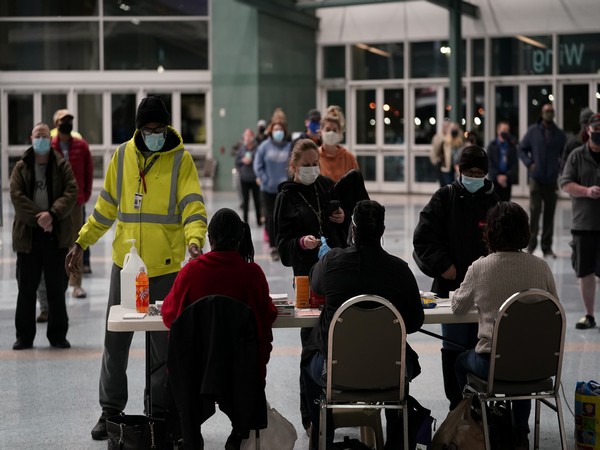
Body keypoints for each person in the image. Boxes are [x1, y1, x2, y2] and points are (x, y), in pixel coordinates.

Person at [65, 96, 208, 440]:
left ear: (166, 127)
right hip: (126, 267)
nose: (153, 134)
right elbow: (105, 207)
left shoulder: (180, 160)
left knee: (163, 346)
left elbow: (193, 205)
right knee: (115, 341)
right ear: (138, 128)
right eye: (148, 129)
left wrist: (195, 240)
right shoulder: (123, 156)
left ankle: (159, 411)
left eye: (159, 129)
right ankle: (110, 411)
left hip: (167, 267)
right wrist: (81, 241)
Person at [303, 200, 425, 449]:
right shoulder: (400, 270)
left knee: (308, 360)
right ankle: (396, 440)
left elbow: (315, 286)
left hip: (334, 371)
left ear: (352, 230)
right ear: (382, 231)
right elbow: (414, 322)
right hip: (390, 371)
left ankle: (321, 436)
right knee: (402, 367)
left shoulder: (332, 263)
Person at [161, 208, 277, 449]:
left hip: (195, 372)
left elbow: (169, 315)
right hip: (241, 371)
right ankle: (238, 435)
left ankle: (191, 436)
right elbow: (268, 316)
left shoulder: (190, 272)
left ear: (209, 240)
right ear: (239, 238)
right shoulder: (252, 274)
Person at [452, 201, 558, 449]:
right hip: (538, 364)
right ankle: (520, 431)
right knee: (521, 362)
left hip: (493, 365)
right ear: (525, 232)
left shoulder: (480, 267)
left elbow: (458, 307)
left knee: (459, 362)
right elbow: (554, 310)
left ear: (490, 233)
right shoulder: (541, 267)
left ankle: (480, 420)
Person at [413, 145, 499, 411]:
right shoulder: (444, 197)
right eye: (469, 171)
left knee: (484, 347)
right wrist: (443, 265)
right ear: (460, 171)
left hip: (489, 290)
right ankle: (457, 406)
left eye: (479, 172)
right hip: (451, 288)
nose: (474, 176)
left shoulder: (495, 201)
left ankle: (483, 405)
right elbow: (423, 239)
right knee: (453, 347)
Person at [273, 138, 347, 433]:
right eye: (305, 165)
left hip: (337, 273)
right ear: (293, 167)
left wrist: (342, 218)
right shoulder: (285, 198)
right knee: (312, 347)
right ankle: (310, 414)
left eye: (315, 164)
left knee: (340, 343)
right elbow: (282, 247)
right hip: (306, 277)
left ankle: (340, 408)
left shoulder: (326, 186)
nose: (311, 169)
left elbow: (342, 226)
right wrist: (301, 243)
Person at [10, 122, 78, 350]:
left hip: (54, 235)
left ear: (51, 139)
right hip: (28, 236)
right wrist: (40, 219)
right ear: (31, 138)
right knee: (26, 289)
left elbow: (71, 191)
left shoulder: (61, 164)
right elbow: (16, 196)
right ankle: (24, 337)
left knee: (56, 288)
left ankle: (58, 335)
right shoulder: (22, 166)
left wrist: (52, 215)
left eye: (45, 136)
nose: (41, 139)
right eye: (38, 135)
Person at [560, 113, 600, 330]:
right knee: (585, 272)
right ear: (588, 131)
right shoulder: (576, 156)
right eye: (596, 132)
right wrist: (587, 191)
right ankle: (589, 314)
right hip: (583, 224)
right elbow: (565, 183)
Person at [518, 103, 567, 258]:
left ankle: (547, 247)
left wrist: (560, 167)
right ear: (542, 112)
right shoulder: (533, 131)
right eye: (547, 111)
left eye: (552, 111)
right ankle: (531, 246)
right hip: (536, 179)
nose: (549, 113)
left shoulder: (559, 134)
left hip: (551, 179)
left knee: (549, 214)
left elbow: (565, 154)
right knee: (535, 211)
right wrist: (529, 163)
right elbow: (521, 148)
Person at [253, 112, 292, 261]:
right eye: (276, 130)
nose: (278, 132)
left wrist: (289, 181)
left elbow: (293, 165)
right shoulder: (264, 146)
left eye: (280, 130)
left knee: (284, 217)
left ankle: (284, 245)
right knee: (270, 218)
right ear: (271, 131)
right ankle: (273, 246)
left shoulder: (289, 147)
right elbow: (258, 165)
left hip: (284, 189)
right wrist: (265, 180)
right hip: (268, 189)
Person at [318, 105, 359, 182]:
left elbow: (356, 186)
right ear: (321, 131)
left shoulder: (349, 158)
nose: (331, 133)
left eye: (334, 130)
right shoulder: (315, 157)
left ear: (340, 132)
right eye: (328, 129)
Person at [486, 120, 518, 201]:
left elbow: (514, 163)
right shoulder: (492, 146)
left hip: (507, 180)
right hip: (495, 179)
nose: (505, 132)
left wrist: (506, 176)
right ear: (498, 131)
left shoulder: (511, 146)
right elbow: (490, 163)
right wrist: (498, 176)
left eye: (507, 130)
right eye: (503, 130)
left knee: (506, 205)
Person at [235, 128, 262, 226]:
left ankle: (259, 220)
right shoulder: (242, 149)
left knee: (257, 201)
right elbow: (236, 162)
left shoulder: (258, 148)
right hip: (244, 179)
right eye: (245, 136)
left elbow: (260, 161)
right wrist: (243, 160)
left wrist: (252, 160)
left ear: (252, 137)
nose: (247, 138)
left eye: (249, 136)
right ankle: (245, 221)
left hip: (255, 179)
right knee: (245, 201)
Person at [431, 121, 464, 186]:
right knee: (448, 186)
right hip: (446, 167)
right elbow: (437, 151)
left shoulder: (459, 140)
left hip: (456, 168)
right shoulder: (444, 140)